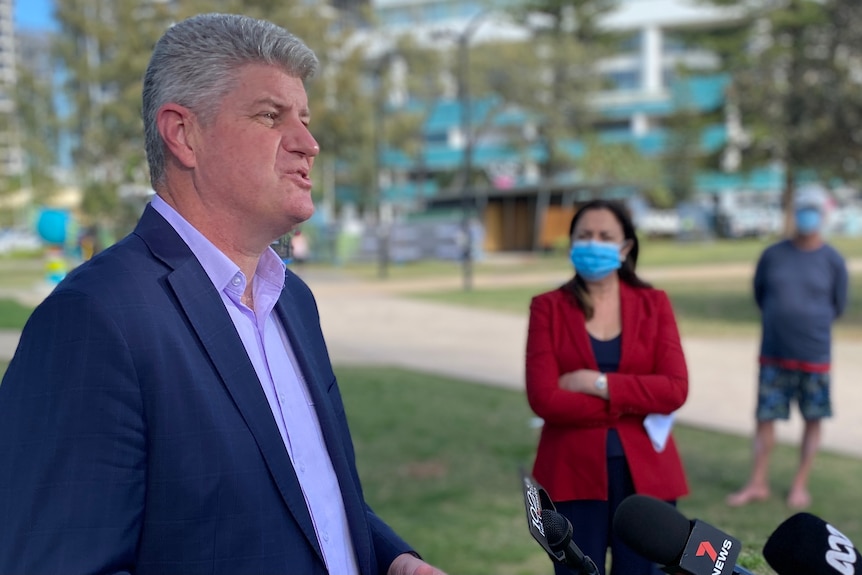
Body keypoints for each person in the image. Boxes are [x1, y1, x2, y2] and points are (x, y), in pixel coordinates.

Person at [0, 13, 446, 575]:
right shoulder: (94, 318)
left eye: (304, 119)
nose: (308, 143)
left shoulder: (293, 301)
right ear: (184, 134)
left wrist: (391, 557)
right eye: (270, 116)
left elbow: (305, 489)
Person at [525, 199, 689, 575]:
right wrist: (633, 400)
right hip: (570, 474)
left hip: (647, 475)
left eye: (605, 236)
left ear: (626, 247)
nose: (593, 243)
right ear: (570, 245)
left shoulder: (654, 304)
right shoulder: (547, 308)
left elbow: (675, 390)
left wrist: (595, 383)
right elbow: (544, 398)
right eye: (584, 235)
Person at [726, 185, 848, 510]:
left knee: (812, 420)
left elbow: (839, 304)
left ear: (823, 215)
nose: (806, 216)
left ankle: (799, 485)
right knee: (765, 419)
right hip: (773, 355)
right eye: (801, 209)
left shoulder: (833, 260)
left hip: (814, 358)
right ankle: (757, 483)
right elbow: (759, 294)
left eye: (813, 210)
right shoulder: (772, 255)